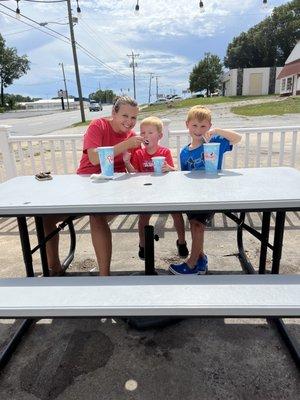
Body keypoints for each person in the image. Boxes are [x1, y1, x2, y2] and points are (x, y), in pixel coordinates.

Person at [43, 96, 144, 276]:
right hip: (85, 184)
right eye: (125, 116)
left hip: (113, 188)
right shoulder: (98, 125)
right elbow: (94, 158)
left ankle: (104, 276)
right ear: (114, 113)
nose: (129, 122)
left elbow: (137, 167)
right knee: (46, 219)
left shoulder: (132, 137)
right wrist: (125, 145)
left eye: (134, 118)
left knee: (97, 215)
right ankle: (54, 268)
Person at [169, 105, 242, 275]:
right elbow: (184, 174)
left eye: (203, 126)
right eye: (194, 125)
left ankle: (192, 264)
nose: (198, 130)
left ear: (209, 126)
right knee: (195, 226)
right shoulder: (184, 152)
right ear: (187, 125)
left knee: (197, 225)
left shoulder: (215, 142)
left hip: (210, 193)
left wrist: (218, 130)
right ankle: (200, 257)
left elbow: (237, 138)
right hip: (193, 195)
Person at [123, 116, 188, 259]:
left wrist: (169, 168)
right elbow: (134, 174)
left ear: (160, 136)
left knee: (177, 213)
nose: (146, 136)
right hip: (146, 192)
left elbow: (173, 172)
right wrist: (127, 163)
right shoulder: (139, 153)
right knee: (143, 217)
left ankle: (182, 242)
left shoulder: (164, 152)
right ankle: (142, 244)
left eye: (150, 133)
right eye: (143, 133)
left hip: (165, 191)